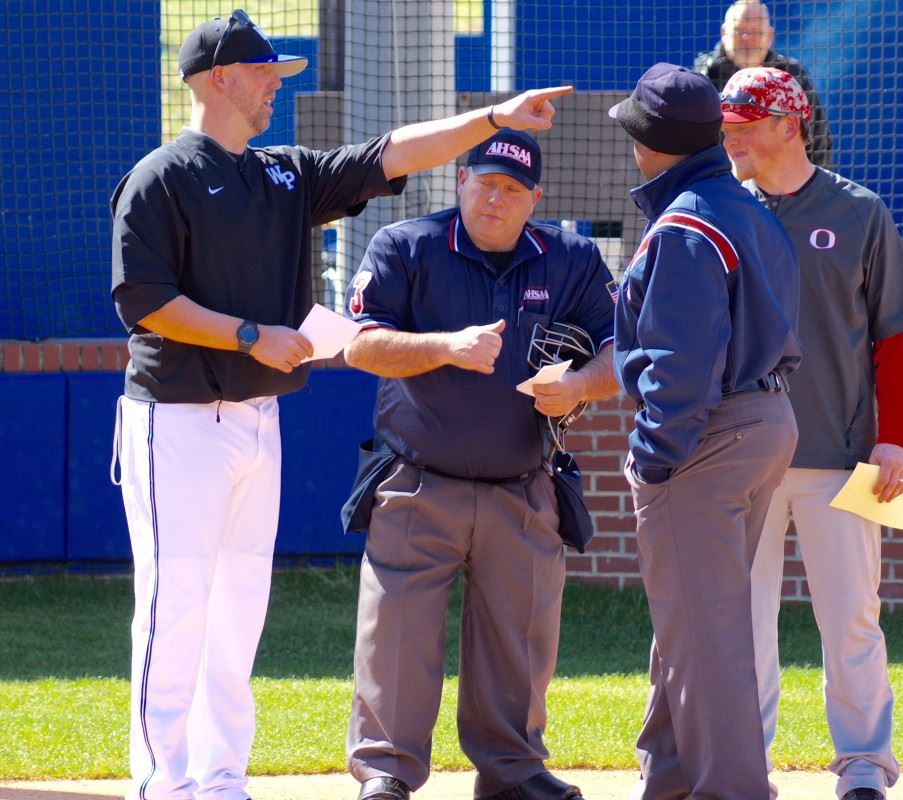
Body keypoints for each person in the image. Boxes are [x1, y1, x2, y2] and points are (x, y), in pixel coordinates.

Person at [109, 8, 573, 800]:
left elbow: (389, 153)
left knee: (238, 610)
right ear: (219, 78)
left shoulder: (282, 173)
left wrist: (493, 117)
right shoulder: (160, 176)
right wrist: (250, 333)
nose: (273, 89)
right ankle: (162, 782)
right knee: (175, 604)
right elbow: (145, 301)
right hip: (176, 419)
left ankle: (221, 778)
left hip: (258, 419)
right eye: (264, 75)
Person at [340, 128, 619, 800]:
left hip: (522, 486)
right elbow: (362, 346)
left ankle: (514, 773)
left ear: (535, 199)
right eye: (485, 182)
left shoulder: (573, 258)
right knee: (397, 642)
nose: (496, 199)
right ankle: (385, 774)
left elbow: (620, 352)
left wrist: (580, 386)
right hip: (416, 481)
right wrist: (445, 347)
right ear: (461, 180)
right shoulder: (406, 246)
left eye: (513, 190)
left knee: (520, 643)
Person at [719, 67, 903, 800]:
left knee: (853, 620)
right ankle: (746, 767)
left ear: (790, 124)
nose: (731, 136)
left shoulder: (861, 210)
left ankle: (866, 770)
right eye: (728, 124)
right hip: (739, 457)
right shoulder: (719, 209)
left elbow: (896, 338)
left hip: (846, 457)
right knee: (742, 626)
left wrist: (896, 438)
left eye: (746, 123)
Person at [608, 63, 802, 800]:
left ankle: (732, 791)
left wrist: (653, 456)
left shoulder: (686, 222)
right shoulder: (748, 208)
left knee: (708, 634)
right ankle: (670, 781)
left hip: (708, 434)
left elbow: (682, 362)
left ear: (652, 142)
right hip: (764, 419)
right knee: (693, 623)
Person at [693, 0, 833, 168]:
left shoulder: (792, 76)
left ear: (769, 36)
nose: (747, 38)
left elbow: (817, 140)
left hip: (782, 187)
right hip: (717, 186)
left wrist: (812, 190)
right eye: (740, 31)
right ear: (724, 32)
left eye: (756, 32)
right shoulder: (703, 78)